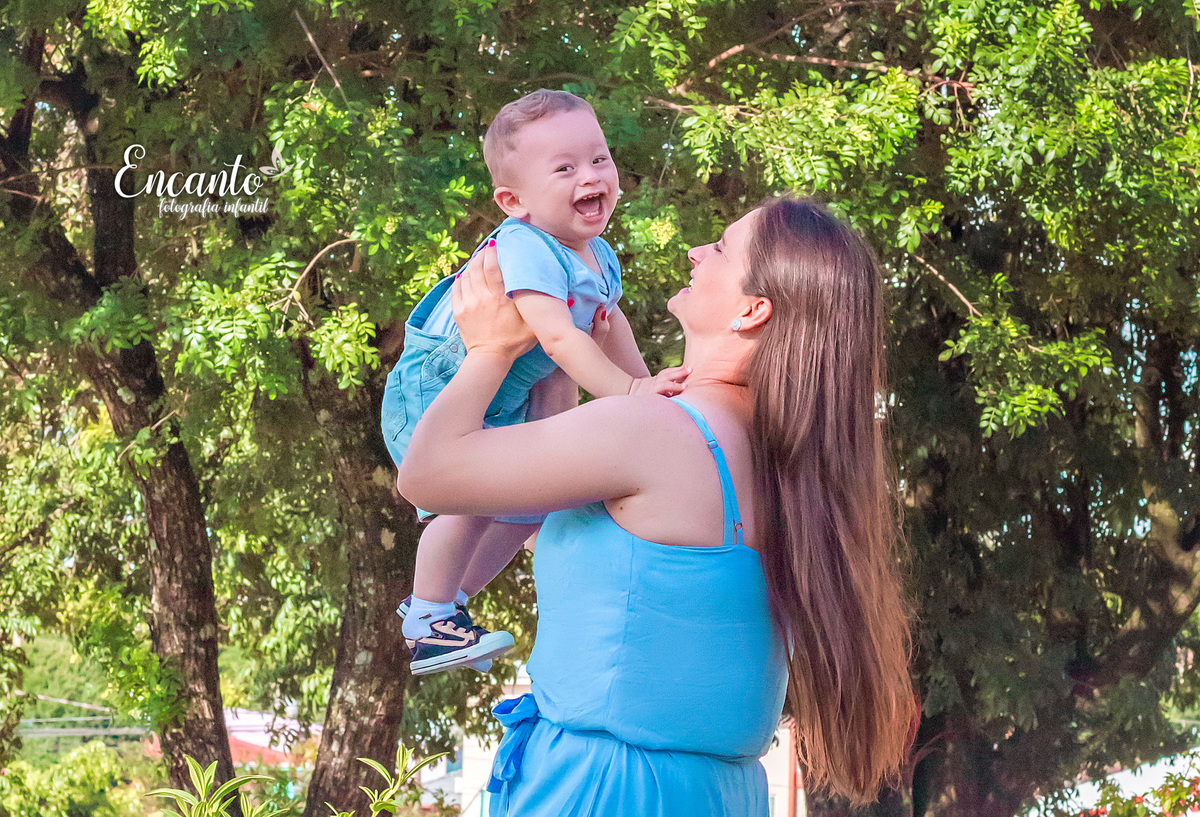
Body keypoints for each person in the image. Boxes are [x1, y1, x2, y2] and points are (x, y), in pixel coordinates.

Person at [396, 197, 918, 814]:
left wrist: (492, 350)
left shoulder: (653, 434)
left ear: (753, 311)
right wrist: (572, 368)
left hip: (600, 791)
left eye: (721, 248)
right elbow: (617, 560)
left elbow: (425, 477)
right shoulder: (784, 465)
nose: (698, 252)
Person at [382, 90, 687, 675]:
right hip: (435, 394)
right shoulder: (525, 247)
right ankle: (427, 617)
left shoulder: (595, 253)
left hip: (503, 403)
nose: (590, 177)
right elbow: (559, 339)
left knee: (529, 508)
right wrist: (628, 396)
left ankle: (448, 606)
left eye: (598, 159)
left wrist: (647, 394)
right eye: (565, 168)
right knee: (469, 503)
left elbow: (604, 323)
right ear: (513, 201)